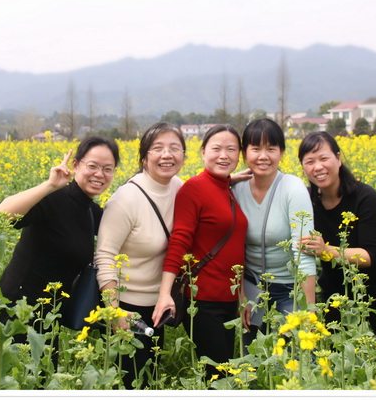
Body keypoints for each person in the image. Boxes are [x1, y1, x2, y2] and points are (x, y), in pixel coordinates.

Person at [0, 135, 120, 342]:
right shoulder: (53, 198)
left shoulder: (91, 212)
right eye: (92, 166)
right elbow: (1, 216)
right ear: (75, 165)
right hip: (18, 312)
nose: (100, 174)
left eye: (108, 169)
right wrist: (50, 185)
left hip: (50, 317)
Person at [151, 124, 248, 378]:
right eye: (216, 149)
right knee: (219, 376)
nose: (224, 155)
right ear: (203, 152)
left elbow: (233, 248)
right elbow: (179, 241)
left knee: (224, 374)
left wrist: (241, 297)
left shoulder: (227, 188)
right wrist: (165, 293)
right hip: (203, 302)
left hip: (229, 301)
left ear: (239, 155)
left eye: (231, 149)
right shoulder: (193, 188)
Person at [95, 122, 186, 389]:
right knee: (131, 382)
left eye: (174, 148)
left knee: (150, 378)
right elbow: (105, 256)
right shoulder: (125, 199)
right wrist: (114, 312)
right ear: (144, 158)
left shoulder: (178, 187)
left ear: (183, 156)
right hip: (127, 307)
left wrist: (232, 180)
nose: (167, 155)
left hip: (159, 305)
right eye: (158, 148)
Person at [297, 131, 376, 339]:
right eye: (310, 162)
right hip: (334, 291)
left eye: (324, 158)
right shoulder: (307, 200)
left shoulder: (366, 198)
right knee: (335, 349)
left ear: (338, 159)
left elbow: (374, 255)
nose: (318, 167)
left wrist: (326, 250)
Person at [231, 118, 316, 347]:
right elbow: (232, 250)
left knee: (298, 355)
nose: (263, 156)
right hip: (250, 290)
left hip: (288, 290)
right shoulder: (236, 189)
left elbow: (304, 251)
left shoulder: (293, 188)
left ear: (281, 153)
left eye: (271, 149)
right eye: (256, 149)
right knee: (252, 358)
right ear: (244, 153)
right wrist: (240, 296)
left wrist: (308, 310)